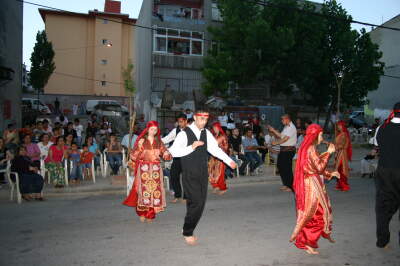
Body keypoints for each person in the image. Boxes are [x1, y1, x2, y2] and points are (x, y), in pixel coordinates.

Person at [169, 110, 237, 245]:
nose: (203, 122)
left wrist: (228, 161)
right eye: (201, 119)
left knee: (195, 202)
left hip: (202, 173)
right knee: (198, 203)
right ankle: (187, 231)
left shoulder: (206, 133)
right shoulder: (184, 133)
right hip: (189, 173)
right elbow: (173, 152)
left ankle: (187, 227)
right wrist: (191, 147)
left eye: (205, 120)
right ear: (194, 118)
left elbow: (215, 150)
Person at [290, 124, 339, 255]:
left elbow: (314, 168)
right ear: (315, 135)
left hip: (310, 183)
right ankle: (306, 242)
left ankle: (305, 242)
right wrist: (329, 152)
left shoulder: (306, 147)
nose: (322, 137)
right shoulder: (311, 148)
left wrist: (330, 174)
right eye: (321, 134)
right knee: (319, 215)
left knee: (313, 216)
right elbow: (318, 168)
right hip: (312, 186)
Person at [123, 121, 172, 222]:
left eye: (155, 130)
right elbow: (134, 155)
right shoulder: (141, 141)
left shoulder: (159, 142)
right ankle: (142, 212)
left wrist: (166, 153)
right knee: (143, 192)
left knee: (154, 192)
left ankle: (150, 214)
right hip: (144, 169)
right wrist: (133, 157)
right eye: (151, 129)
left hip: (156, 170)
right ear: (147, 129)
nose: (153, 131)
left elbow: (165, 155)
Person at [374, 102, 400, 248]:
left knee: (383, 207)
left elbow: (377, 145)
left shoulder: (382, 128)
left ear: (393, 112)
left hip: (385, 171)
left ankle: (382, 241)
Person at [162, 114, 188, 203]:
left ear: (186, 121)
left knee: (186, 178)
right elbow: (166, 139)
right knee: (173, 175)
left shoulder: (191, 130)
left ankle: (186, 196)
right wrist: (155, 140)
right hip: (177, 158)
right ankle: (177, 195)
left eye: (181, 122)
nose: (180, 124)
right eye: (178, 122)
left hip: (188, 158)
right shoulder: (175, 130)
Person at [268, 114, 297, 192]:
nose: (281, 121)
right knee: (280, 166)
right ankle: (286, 184)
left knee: (287, 168)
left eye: (282, 119)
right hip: (284, 150)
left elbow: (285, 139)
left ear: (287, 119)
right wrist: (273, 130)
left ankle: (291, 186)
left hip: (288, 150)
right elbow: (281, 136)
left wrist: (276, 143)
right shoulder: (286, 127)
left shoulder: (291, 127)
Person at [208, 122, 229, 195]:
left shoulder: (223, 136)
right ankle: (216, 186)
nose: (214, 129)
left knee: (220, 173)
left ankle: (223, 188)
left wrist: (219, 148)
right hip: (213, 157)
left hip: (220, 157)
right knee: (211, 172)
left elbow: (226, 147)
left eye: (216, 127)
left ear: (219, 128)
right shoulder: (213, 136)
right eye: (213, 128)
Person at [334, 121, 352, 191]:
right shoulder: (340, 134)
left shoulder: (344, 134)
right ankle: (340, 185)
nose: (338, 127)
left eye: (340, 125)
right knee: (339, 169)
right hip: (339, 153)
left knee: (341, 168)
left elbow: (343, 145)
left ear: (342, 126)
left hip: (342, 154)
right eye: (338, 125)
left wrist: (335, 147)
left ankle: (344, 185)